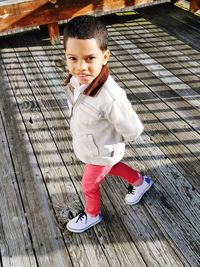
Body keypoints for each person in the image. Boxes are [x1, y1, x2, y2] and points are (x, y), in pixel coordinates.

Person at [63, 15, 153, 233]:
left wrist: (113, 139)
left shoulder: (110, 96)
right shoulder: (77, 81)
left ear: (105, 57)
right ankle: (141, 183)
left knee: (89, 185)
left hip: (102, 149)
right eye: (72, 58)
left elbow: (132, 127)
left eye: (89, 58)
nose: (80, 67)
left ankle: (93, 214)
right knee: (111, 167)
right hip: (96, 146)